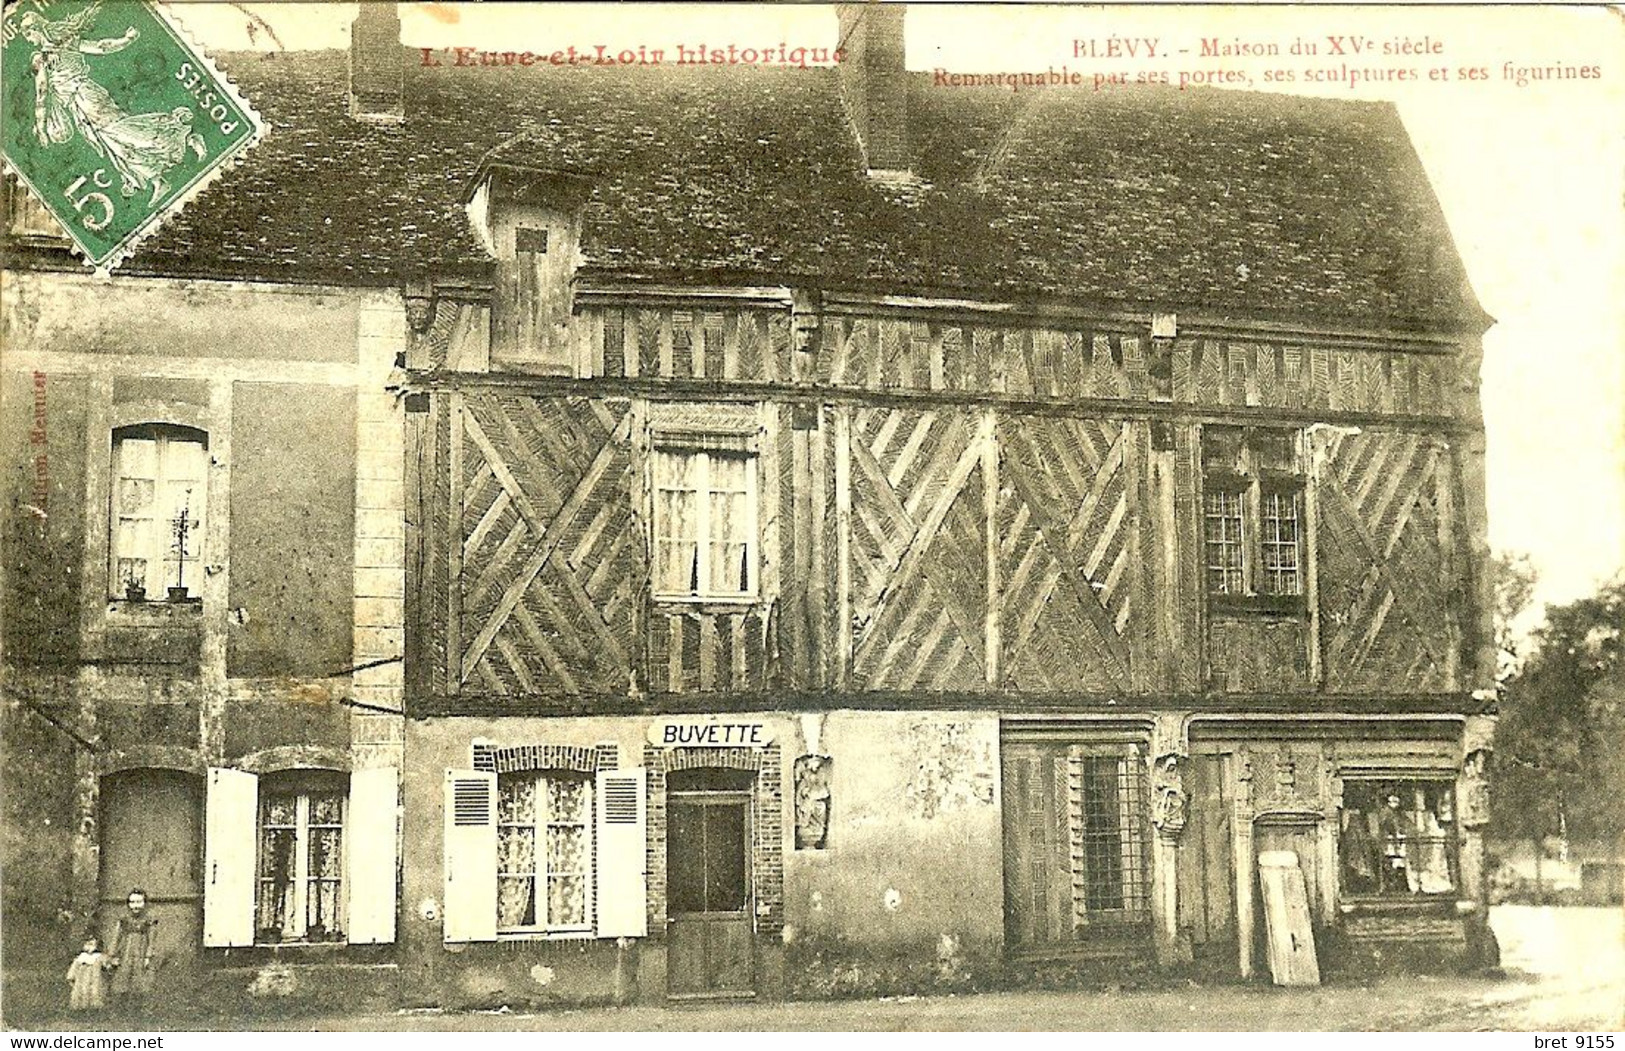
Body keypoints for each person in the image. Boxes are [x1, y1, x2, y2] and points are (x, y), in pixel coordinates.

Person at [109, 888, 158, 1012]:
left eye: (139, 902)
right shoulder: (124, 919)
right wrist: (112, 954)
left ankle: (142, 1010)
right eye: (132, 902)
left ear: (145, 903)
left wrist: (148, 956)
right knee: (123, 976)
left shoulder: (149, 919)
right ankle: (121, 1009)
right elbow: (116, 936)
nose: (135, 906)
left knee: (141, 977)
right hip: (126, 950)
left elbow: (151, 938)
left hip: (141, 950)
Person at [65, 934, 110, 1013]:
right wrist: (71, 976)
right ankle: (81, 1007)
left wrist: (108, 967)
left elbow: (106, 964)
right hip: (82, 977)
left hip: (95, 977)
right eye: (88, 944)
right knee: (82, 989)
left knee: (95, 990)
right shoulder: (82, 957)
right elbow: (75, 967)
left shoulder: (99, 956)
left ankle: (95, 1007)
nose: (90, 947)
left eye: (92, 944)